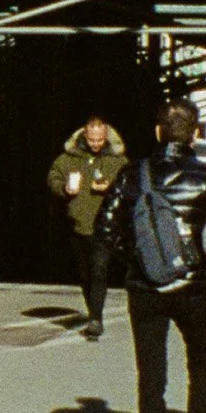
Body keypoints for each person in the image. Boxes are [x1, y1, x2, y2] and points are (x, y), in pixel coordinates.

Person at [94, 99, 206, 413]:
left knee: (151, 378)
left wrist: (135, 258)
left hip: (145, 289)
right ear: (196, 134)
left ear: (157, 132)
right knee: (200, 370)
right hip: (195, 288)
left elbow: (105, 232)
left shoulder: (132, 175)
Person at [44, 116, 127, 337]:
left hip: (104, 226)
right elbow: (53, 176)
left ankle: (96, 319)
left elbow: (129, 185)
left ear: (106, 135)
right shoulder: (69, 158)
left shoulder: (118, 161)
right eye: (92, 140)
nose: (96, 144)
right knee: (85, 274)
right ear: (84, 136)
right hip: (77, 225)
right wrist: (63, 189)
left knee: (99, 270)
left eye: (100, 140)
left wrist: (111, 188)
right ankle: (93, 310)